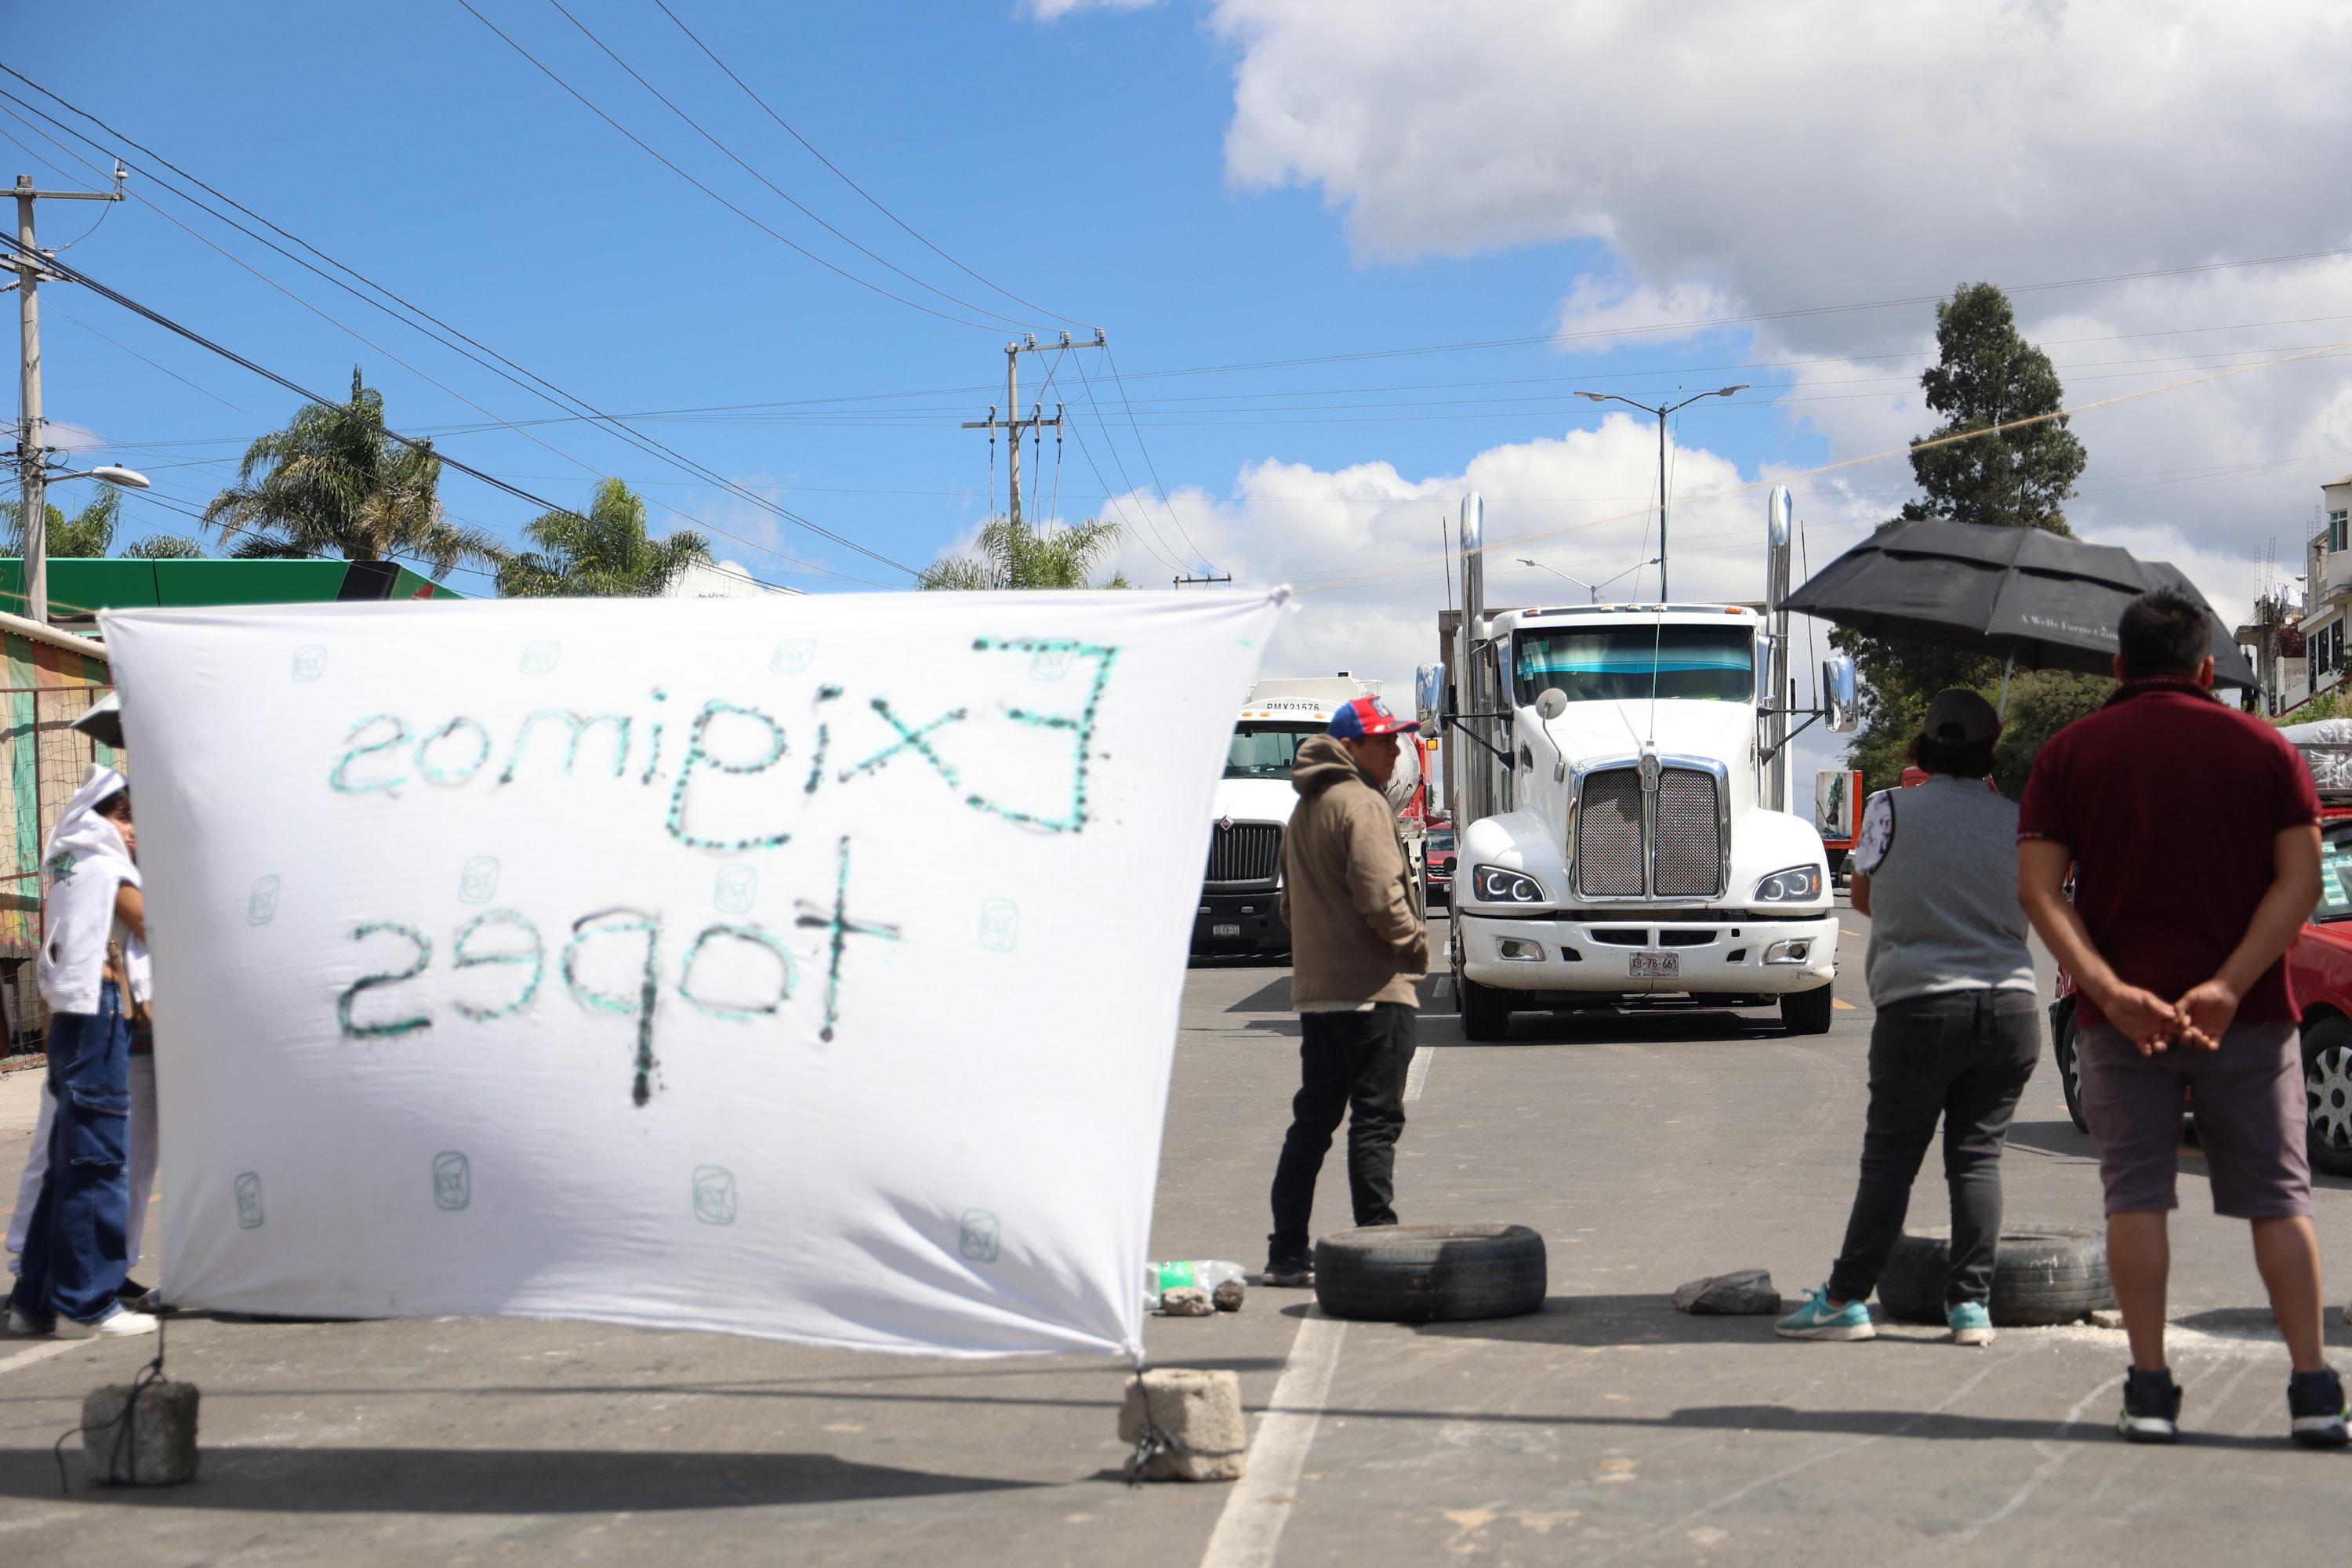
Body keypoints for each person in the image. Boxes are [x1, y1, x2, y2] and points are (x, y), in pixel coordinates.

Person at [2018, 586, 2345, 1447]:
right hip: (2252, 1020)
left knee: (2138, 1201)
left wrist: (2109, 989)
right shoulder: (2267, 747)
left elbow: (2040, 890)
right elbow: (2301, 883)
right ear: (2209, 668)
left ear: (2118, 667)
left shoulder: (2070, 753)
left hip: (2120, 1024)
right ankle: (2314, 1389)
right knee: (2281, 1201)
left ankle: (2152, 1388)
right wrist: (2230, 985)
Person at [1777, 690, 2040, 1347]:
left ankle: (1844, 1300)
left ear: (1922, 748)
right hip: (2010, 1010)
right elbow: (2030, 902)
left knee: (1891, 1163)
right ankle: (1970, 1309)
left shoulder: (1888, 807)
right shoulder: (2020, 818)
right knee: (1977, 1160)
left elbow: (1863, 894)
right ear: (1991, 750)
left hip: (1921, 1009)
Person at [1262, 695, 1428, 1287]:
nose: (1395, 750)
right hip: (1373, 994)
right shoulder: (1362, 804)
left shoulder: (1304, 811)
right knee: (1375, 1123)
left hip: (1318, 996)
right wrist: (1415, 946)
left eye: (1397, 739)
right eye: (1384, 741)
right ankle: (1376, 1246)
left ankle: (1285, 1252)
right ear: (1351, 747)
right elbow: (1383, 895)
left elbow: (1288, 908)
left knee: (1313, 1122)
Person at [6, 767, 157, 1338]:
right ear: (98, 817)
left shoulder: (67, 864)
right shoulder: (104, 862)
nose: (134, 830)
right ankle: (91, 1299)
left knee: (66, 1162)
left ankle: (34, 1301)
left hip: (72, 1017)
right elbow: (151, 921)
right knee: (97, 1159)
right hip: (99, 1012)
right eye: (125, 816)